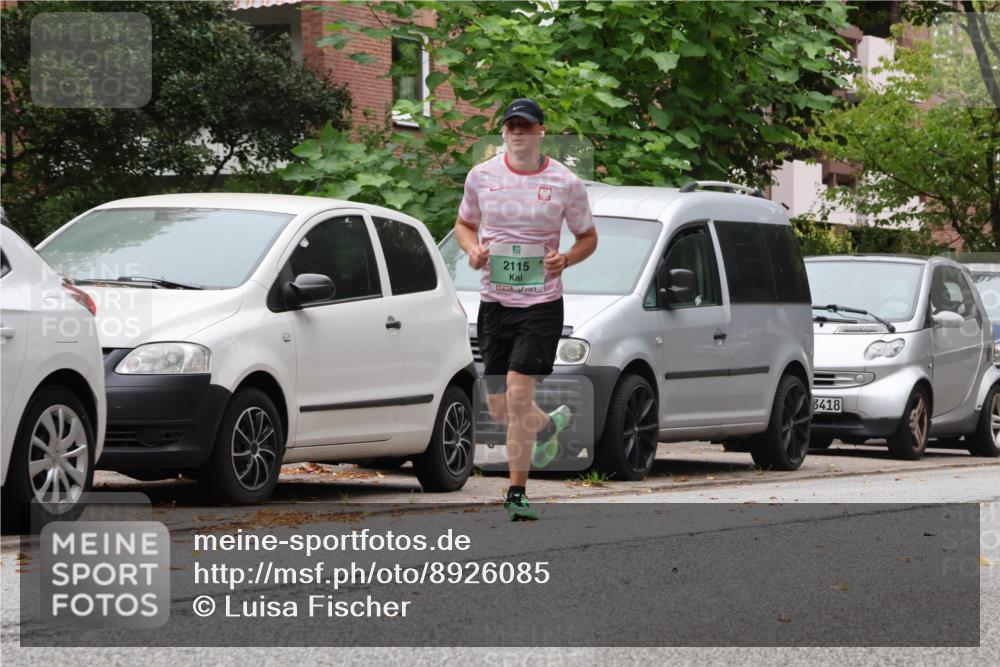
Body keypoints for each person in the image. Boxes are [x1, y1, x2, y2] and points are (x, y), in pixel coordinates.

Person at [454, 98, 598, 521]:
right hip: (494, 303)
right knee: (501, 408)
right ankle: (547, 426)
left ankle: (517, 493)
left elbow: (588, 237)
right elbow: (464, 225)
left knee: (518, 394)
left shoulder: (565, 182)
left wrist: (565, 259)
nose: (518, 132)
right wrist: (473, 250)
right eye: (511, 125)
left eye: (526, 125)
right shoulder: (481, 176)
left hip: (541, 304)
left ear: (540, 132)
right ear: (504, 133)